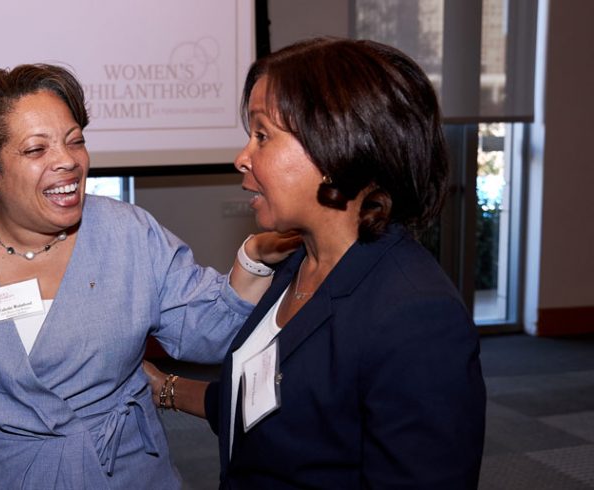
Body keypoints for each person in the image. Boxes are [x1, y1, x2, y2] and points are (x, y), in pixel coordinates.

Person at [0, 63, 295, 489]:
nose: (68, 161)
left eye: (75, 141)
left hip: (121, 472)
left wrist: (253, 259)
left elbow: (210, 332)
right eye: (36, 149)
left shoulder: (129, 234)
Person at [143, 37, 486, 488]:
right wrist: (166, 390)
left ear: (334, 147)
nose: (242, 158)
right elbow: (281, 403)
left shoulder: (416, 316)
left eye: (262, 135)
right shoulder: (299, 263)